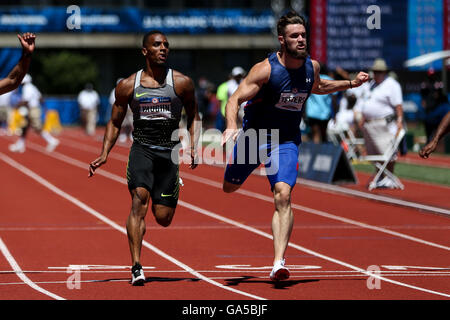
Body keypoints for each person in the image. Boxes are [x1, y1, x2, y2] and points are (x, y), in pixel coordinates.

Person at [221, 11, 369, 281]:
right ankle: (235, 173)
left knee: (283, 195)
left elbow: (319, 86)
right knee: (229, 187)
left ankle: (278, 262)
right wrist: (231, 125)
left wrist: (351, 83)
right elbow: (235, 99)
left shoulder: (311, 67)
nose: (301, 39)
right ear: (282, 40)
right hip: (254, 138)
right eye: (294, 36)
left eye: (303, 35)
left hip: (286, 140)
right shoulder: (265, 70)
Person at [88, 30, 200, 286]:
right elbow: (115, 122)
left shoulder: (182, 83)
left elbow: (194, 114)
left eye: (166, 45)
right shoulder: (128, 85)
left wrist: (194, 145)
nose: (163, 49)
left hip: (169, 153)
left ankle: (169, 191)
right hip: (142, 149)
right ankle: (136, 265)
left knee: (163, 218)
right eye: (157, 45)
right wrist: (105, 153)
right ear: (145, 51)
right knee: (139, 200)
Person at [357, 58, 405, 188]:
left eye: (379, 72)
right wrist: (361, 118)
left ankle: (389, 177)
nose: (377, 74)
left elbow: (399, 106)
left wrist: (400, 121)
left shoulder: (392, 85)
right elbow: (364, 103)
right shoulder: (370, 85)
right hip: (369, 124)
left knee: (388, 152)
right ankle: (381, 176)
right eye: (375, 71)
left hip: (385, 124)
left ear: (385, 72)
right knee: (373, 153)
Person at [8, 74, 60, 153]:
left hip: (32, 109)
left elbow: (26, 101)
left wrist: (16, 106)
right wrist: (45, 108)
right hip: (33, 109)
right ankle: (20, 145)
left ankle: (52, 140)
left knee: (37, 128)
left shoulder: (27, 88)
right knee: (24, 127)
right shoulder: (33, 87)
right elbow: (40, 98)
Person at [304, 63, 338, 143]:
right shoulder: (330, 80)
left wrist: (303, 113)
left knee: (315, 134)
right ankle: (323, 153)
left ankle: (316, 153)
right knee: (323, 135)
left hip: (312, 113)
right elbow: (334, 99)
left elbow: (305, 96)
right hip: (324, 113)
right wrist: (335, 114)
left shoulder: (311, 80)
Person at [109, 78, 133, 143]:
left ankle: (131, 134)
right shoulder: (114, 91)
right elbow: (112, 101)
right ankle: (123, 134)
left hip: (129, 109)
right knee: (123, 123)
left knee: (131, 122)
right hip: (120, 109)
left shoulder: (129, 90)